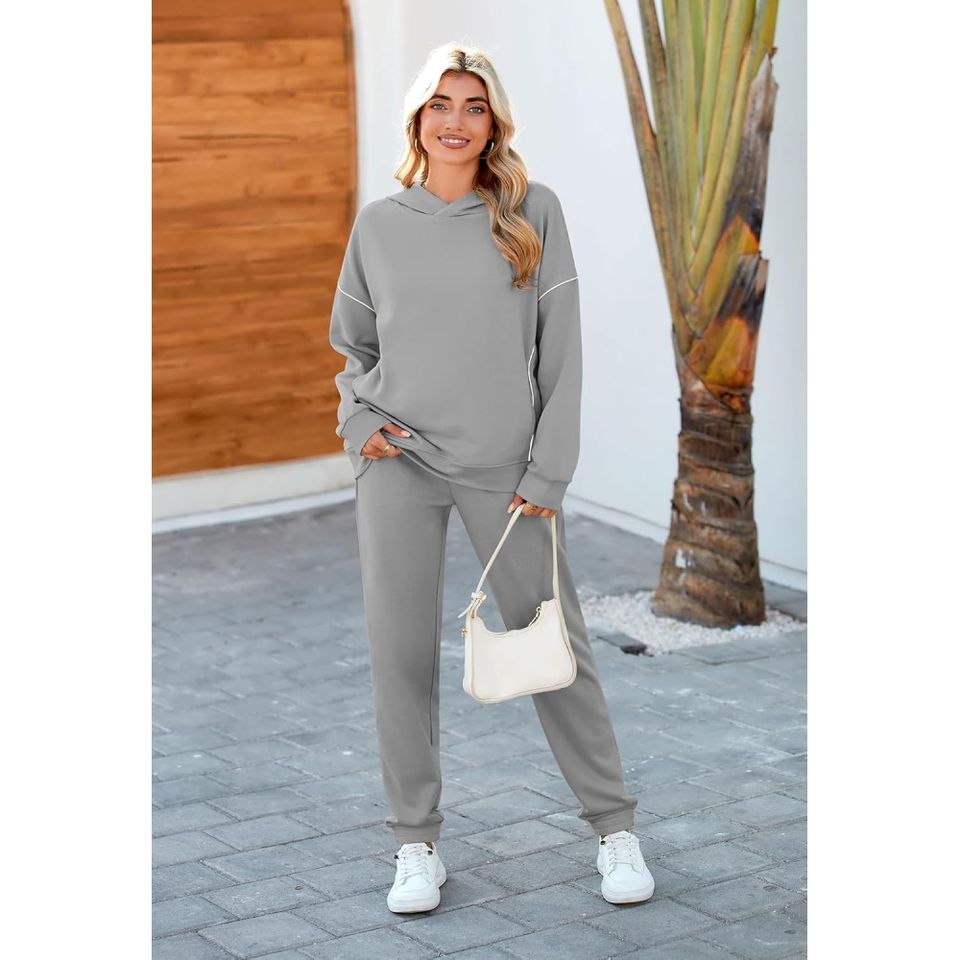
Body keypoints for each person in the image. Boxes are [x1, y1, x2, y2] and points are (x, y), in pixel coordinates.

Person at [328, 41, 654, 913]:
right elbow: (353, 349)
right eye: (441, 104)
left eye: (474, 106)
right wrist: (359, 423)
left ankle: (614, 829)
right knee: (399, 656)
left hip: (507, 474)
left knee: (554, 648)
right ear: (417, 119)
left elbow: (563, 351)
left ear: (493, 122)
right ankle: (415, 844)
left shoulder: (531, 211)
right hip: (397, 463)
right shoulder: (378, 225)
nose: (456, 121)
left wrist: (551, 469)